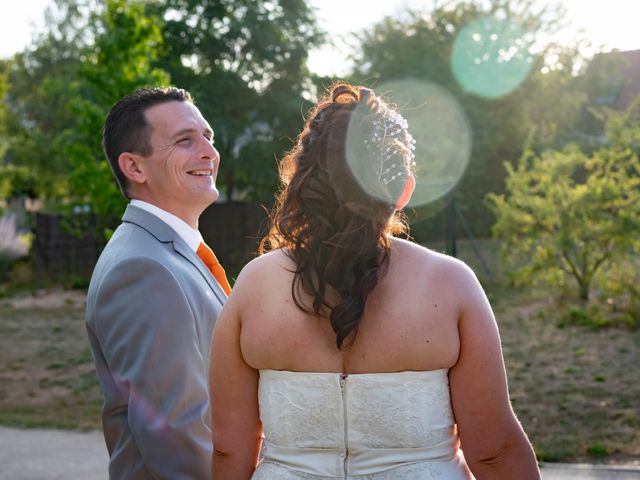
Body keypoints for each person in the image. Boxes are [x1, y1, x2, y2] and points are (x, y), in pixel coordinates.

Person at [210, 83, 540, 479]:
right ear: (403, 191)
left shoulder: (254, 285)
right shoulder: (450, 284)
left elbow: (230, 451)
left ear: (301, 182)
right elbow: (493, 452)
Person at [86, 86, 230, 479]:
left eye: (208, 137)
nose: (208, 152)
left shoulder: (168, 254)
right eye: (185, 140)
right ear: (135, 167)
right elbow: (176, 439)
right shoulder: (143, 269)